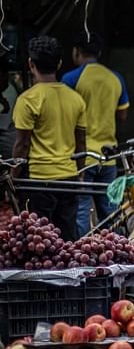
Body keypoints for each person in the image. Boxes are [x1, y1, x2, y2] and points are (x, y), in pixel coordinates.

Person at [12, 36, 86, 241]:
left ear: (30, 64)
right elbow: (81, 143)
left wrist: (12, 176)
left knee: (40, 242)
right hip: (69, 178)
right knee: (67, 239)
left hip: (39, 181)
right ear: (59, 64)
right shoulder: (76, 98)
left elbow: (22, 145)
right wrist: (79, 173)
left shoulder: (27, 100)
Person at [62, 32, 129, 237]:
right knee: (109, 212)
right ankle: (114, 253)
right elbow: (123, 114)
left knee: (81, 210)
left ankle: (81, 255)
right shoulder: (115, 78)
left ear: (76, 52)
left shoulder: (71, 78)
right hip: (108, 156)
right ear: (99, 52)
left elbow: (64, 114)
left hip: (82, 157)